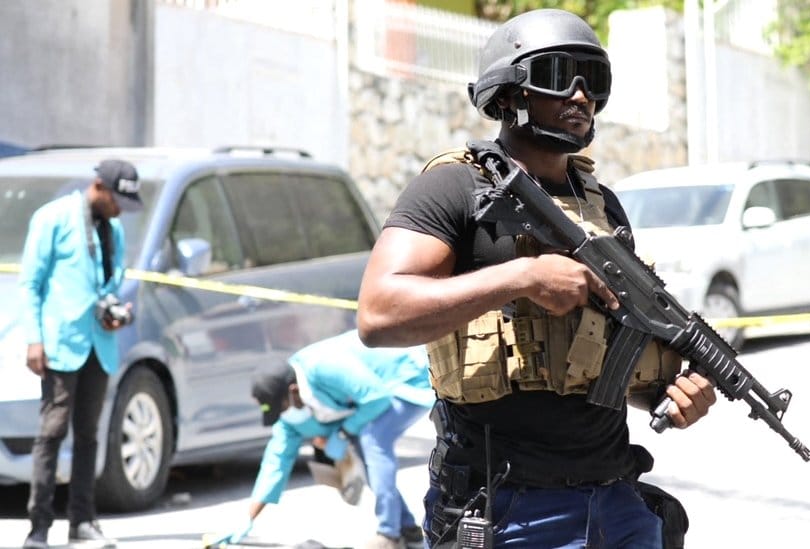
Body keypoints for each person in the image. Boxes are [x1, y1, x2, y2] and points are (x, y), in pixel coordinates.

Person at [357, 8, 717, 549]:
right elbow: (378, 314)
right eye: (558, 75)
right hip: (505, 508)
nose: (580, 96)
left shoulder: (603, 207)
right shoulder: (456, 188)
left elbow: (605, 364)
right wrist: (521, 277)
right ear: (509, 93)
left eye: (593, 81)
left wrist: (670, 394)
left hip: (615, 499)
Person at [210, 330, 434, 549]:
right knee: (364, 445)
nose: (284, 416)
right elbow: (275, 464)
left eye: (283, 407)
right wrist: (248, 519)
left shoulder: (323, 367)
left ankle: (388, 534)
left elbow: (376, 398)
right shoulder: (288, 417)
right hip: (376, 396)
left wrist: (342, 433)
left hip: (406, 378)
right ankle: (407, 530)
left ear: (294, 390)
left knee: (371, 439)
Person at [19, 159, 142, 549]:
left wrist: (116, 312)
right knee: (52, 433)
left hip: (98, 345)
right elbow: (31, 283)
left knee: (89, 435)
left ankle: (83, 520)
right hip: (60, 343)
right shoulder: (52, 218)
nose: (121, 208)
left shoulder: (114, 229)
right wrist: (34, 339)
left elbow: (113, 281)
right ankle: (38, 527)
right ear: (99, 187)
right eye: (117, 198)